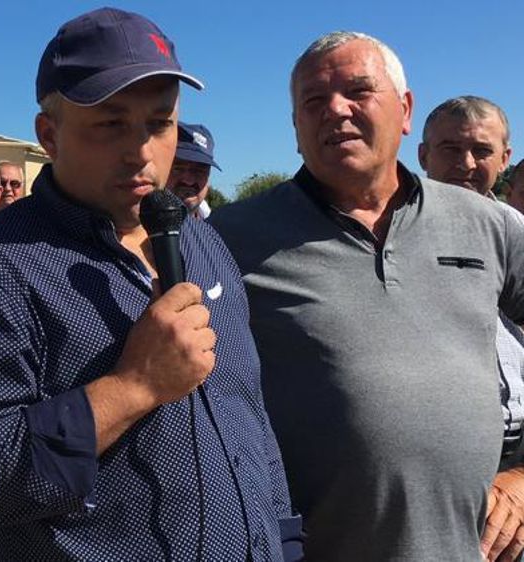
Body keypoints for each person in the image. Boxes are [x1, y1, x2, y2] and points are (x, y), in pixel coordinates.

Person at [0, 8, 300, 561]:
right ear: (49, 134)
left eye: (160, 123)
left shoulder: (201, 243)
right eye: (111, 123)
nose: (141, 149)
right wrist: (131, 388)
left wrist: (281, 539)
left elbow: (247, 416)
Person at [209, 31, 524, 561]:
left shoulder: (490, 225)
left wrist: (522, 477)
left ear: (404, 111)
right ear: (296, 127)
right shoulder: (230, 236)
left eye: (358, 91)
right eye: (313, 100)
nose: (336, 109)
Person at [419, 95, 524, 561]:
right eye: (449, 148)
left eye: (481, 151)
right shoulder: (395, 235)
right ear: (423, 156)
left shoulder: (516, 231)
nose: (465, 163)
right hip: (442, 460)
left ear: (505, 158)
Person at [166, 122, 221, 219]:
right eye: (178, 169)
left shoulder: (217, 229)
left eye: (199, 171)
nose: (189, 181)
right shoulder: (136, 228)